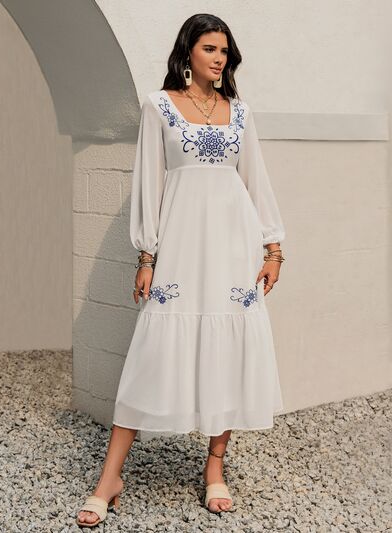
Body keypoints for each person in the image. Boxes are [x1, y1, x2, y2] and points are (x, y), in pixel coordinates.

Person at [76, 12, 286, 528]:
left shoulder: (239, 112)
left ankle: (215, 466)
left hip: (233, 248)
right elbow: (149, 185)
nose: (220, 58)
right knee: (152, 353)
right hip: (182, 249)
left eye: (225, 51)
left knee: (229, 351)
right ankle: (109, 478)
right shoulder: (160, 106)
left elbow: (255, 181)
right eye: (210, 48)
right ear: (188, 51)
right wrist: (147, 256)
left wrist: (273, 248)